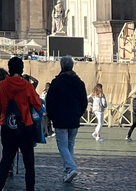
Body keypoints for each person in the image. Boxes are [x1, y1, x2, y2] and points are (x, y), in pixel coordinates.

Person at [0, 57, 41, 191]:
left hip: (7, 126)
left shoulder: (1, 86)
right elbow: (38, 104)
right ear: (22, 69)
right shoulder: (27, 86)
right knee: (29, 163)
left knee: (6, 160)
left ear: (9, 69)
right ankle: (30, 189)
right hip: (25, 126)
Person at [45, 55, 88, 184]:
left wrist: (52, 116)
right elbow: (84, 101)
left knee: (63, 146)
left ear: (61, 66)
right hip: (74, 118)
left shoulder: (57, 82)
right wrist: (78, 114)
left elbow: (50, 101)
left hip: (60, 118)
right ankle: (67, 172)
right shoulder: (79, 83)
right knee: (70, 146)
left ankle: (71, 168)